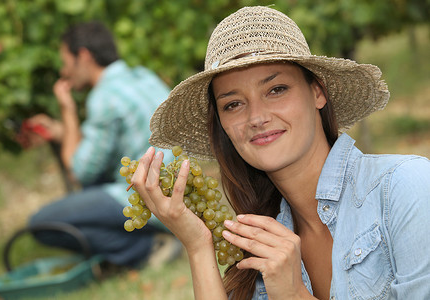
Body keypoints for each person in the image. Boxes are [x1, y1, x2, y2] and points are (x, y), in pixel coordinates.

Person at [131, 6, 430, 300]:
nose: (256, 117)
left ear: (317, 92)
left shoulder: (406, 188)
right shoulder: (264, 246)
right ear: (222, 125)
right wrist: (198, 246)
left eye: (276, 89)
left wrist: (294, 295)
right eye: (233, 104)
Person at [26, 21, 181, 269]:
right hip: (178, 190)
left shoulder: (104, 97)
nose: (64, 72)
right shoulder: (142, 76)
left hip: (144, 197)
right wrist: (60, 132)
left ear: (84, 56)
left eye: (66, 62)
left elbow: (79, 171)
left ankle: (145, 248)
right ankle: (155, 237)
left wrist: (67, 110)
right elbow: (106, 141)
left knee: (41, 224)